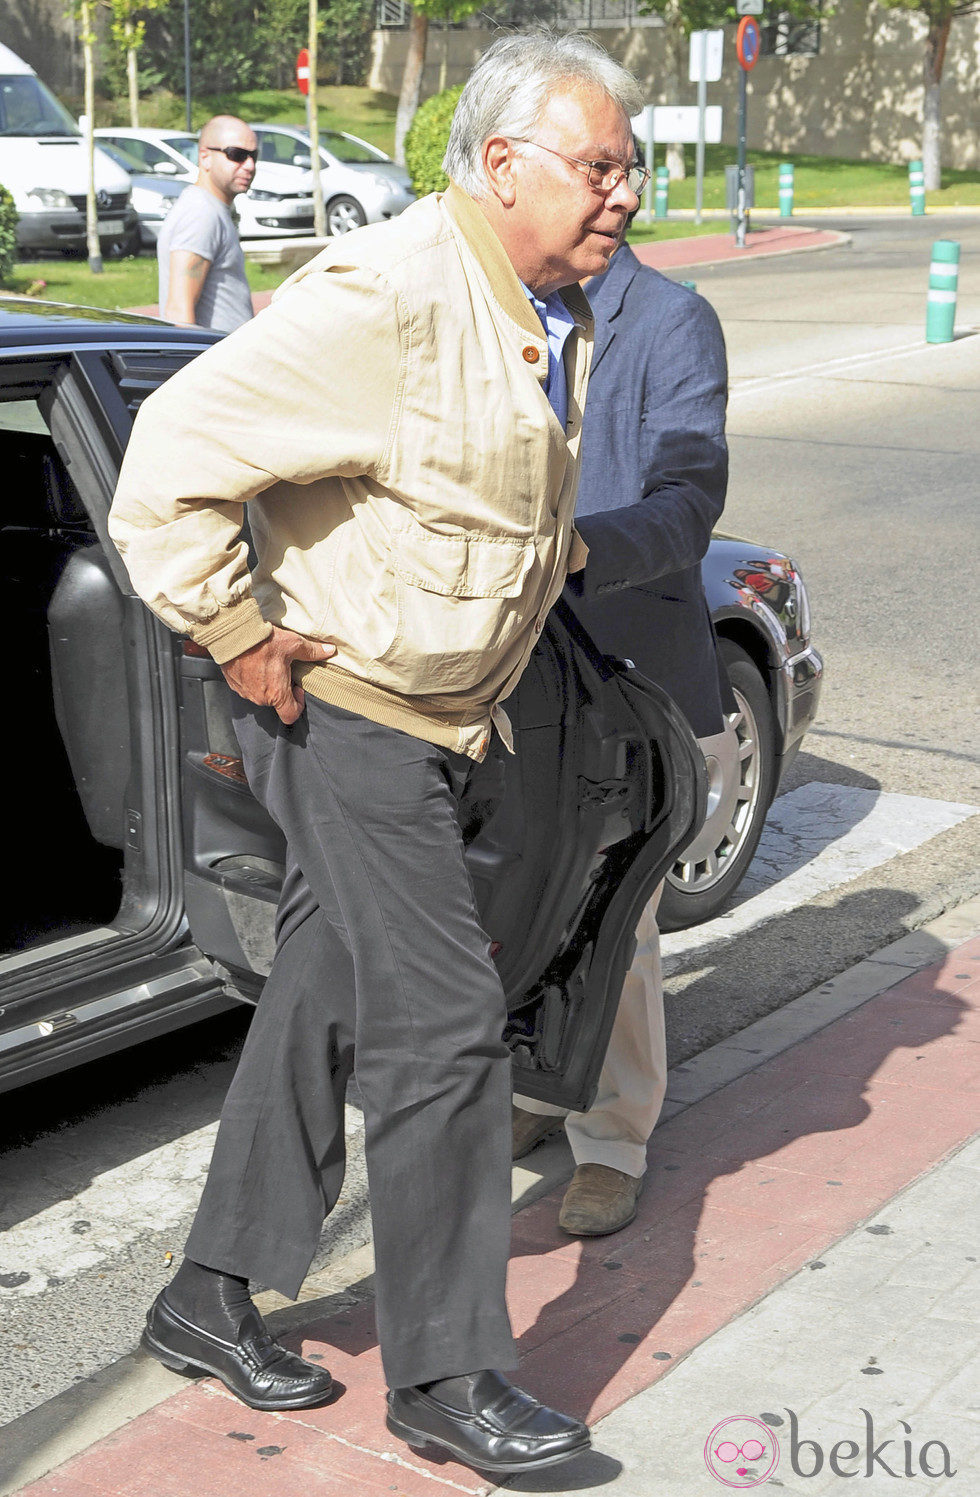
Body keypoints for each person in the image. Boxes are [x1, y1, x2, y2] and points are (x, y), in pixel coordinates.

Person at [108, 34, 646, 1478]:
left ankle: (208, 1295)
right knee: (446, 1030)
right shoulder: (394, 295)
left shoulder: (532, 304)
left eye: (628, 167)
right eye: (598, 166)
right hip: (343, 717)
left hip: (445, 715)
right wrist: (231, 629)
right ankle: (450, 1375)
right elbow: (169, 452)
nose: (625, 194)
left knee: (328, 989)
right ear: (502, 163)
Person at [512, 225, 730, 1238]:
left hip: (627, 675)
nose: (613, 194)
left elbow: (688, 506)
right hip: (511, 675)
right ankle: (535, 1083)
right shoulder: (492, 310)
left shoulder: (672, 321)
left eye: (614, 172)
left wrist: (577, 551)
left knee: (615, 923)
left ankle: (610, 1140)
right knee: (519, 902)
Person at [156, 114, 257, 332]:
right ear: (205, 157)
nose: (249, 165)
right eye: (237, 155)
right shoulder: (201, 213)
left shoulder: (211, 208)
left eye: (253, 156)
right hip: (216, 362)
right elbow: (178, 312)